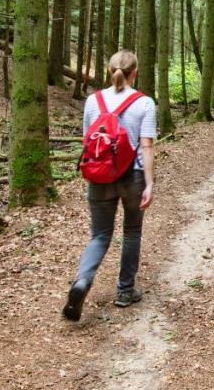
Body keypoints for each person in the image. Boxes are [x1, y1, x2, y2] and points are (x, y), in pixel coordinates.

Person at [63, 50, 157, 321]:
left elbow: (87, 140)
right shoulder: (145, 103)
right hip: (133, 177)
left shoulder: (93, 101)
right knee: (131, 231)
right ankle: (125, 291)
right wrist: (149, 184)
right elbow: (147, 146)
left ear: (109, 71)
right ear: (134, 72)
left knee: (100, 235)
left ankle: (82, 281)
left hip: (99, 175)